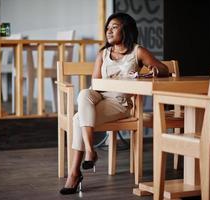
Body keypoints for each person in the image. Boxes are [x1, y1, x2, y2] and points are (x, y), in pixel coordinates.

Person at [59, 12, 169, 195]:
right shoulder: (103, 54)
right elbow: (95, 84)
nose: (109, 31)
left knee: (78, 119)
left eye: (114, 27)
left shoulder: (138, 52)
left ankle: (74, 173)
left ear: (126, 29)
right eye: (107, 28)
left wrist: (155, 71)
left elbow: (164, 69)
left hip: (120, 104)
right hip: (100, 98)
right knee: (85, 92)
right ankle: (89, 150)